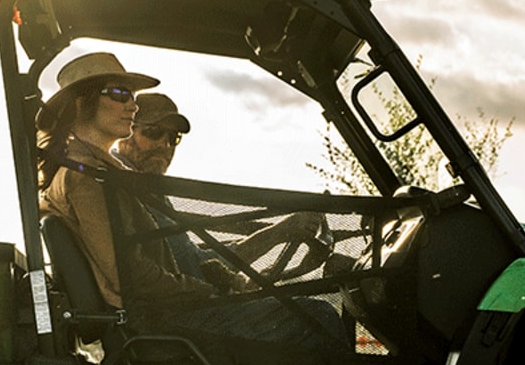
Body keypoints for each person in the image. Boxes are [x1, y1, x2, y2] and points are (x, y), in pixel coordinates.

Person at [37, 53, 341, 348]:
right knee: (321, 316)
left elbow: (173, 261)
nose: (132, 104)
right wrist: (209, 291)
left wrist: (222, 282)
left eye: (134, 97)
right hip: (165, 324)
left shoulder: (105, 174)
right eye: (119, 94)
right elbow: (129, 275)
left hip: (169, 315)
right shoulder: (89, 179)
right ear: (80, 102)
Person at [114, 92, 330, 281]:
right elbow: (195, 269)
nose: (164, 145)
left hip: (176, 303)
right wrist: (280, 232)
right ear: (125, 132)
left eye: (173, 137)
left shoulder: (150, 190)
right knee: (322, 313)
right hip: (173, 315)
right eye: (153, 132)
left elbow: (188, 257)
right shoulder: (132, 190)